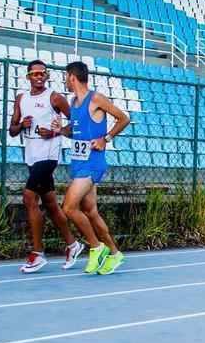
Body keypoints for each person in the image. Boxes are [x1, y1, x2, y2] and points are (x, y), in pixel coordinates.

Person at [8, 60, 82, 273]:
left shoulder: (55, 97)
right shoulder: (21, 99)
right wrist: (22, 125)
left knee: (29, 197)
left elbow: (77, 123)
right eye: (35, 74)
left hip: (48, 155)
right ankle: (72, 244)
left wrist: (55, 132)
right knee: (50, 203)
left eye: (43, 73)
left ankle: (38, 253)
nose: (39, 77)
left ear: (47, 76)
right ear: (28, 76)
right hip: (31, 155)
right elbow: (12, 130)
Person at [59, 61, 131, 275]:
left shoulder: (96, 98)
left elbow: (124, 118)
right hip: (78, 162)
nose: (65, 81)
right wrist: (61, 131)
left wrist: (106, 138)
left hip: (92, 163)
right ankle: (115, 253)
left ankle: (96, 247)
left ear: (72, 77)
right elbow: (77, 131)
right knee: (90, 211)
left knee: (69, 208)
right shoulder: (73, 102)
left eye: (66, 77)